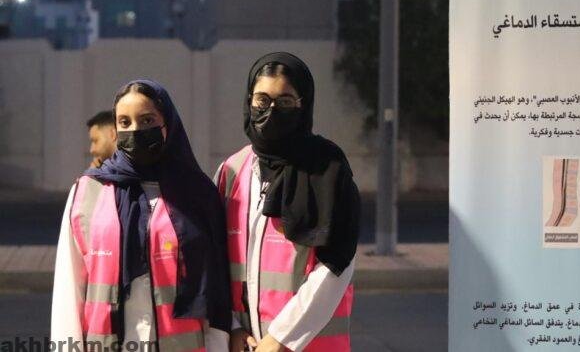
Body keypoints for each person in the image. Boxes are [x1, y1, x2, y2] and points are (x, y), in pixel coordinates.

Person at [51, 80, 232, 351]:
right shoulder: (87, 191)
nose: (135, 130)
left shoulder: (198, 194)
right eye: (125, 122)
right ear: (115, 130)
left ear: (168, 124)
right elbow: (70, 289)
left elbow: (215, 288)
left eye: (147, 120)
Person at [215, 52, 360, 352]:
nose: (271, 110)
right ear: (249, 101)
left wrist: (281, 338)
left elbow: (338, 263)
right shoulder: (232, 171)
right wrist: (232, 326)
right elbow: (214, 258)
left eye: (285, 101)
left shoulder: (326, 168)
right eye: (262, 100)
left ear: (303, 105)